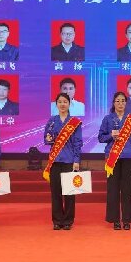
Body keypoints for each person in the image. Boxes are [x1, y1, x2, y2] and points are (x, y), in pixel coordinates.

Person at [98, 92, 131, 230]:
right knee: (113, 189)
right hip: (112, 158)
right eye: (118, 101)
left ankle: (127, 219)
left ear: (126, 103)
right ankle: (115, 220)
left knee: (128, 189)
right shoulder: (107, 119)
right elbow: (100, 138)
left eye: (123, 101)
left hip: (129, 157)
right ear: (113, 103)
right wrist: (110, 135)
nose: (120, 103)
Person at [44, 93, 83, 230]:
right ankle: (57, 220)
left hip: (69, 161)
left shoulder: (74, 122)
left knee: (69, 192)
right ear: (56, 104)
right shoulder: (52, 121)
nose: (62, 104)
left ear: (69, 104)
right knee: (56, 192)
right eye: (60, 102)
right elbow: (46, 139)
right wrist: (48, 138)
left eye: (65, 102)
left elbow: (78, 143)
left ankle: (68, 221)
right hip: (55, 161)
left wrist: (76, 160)